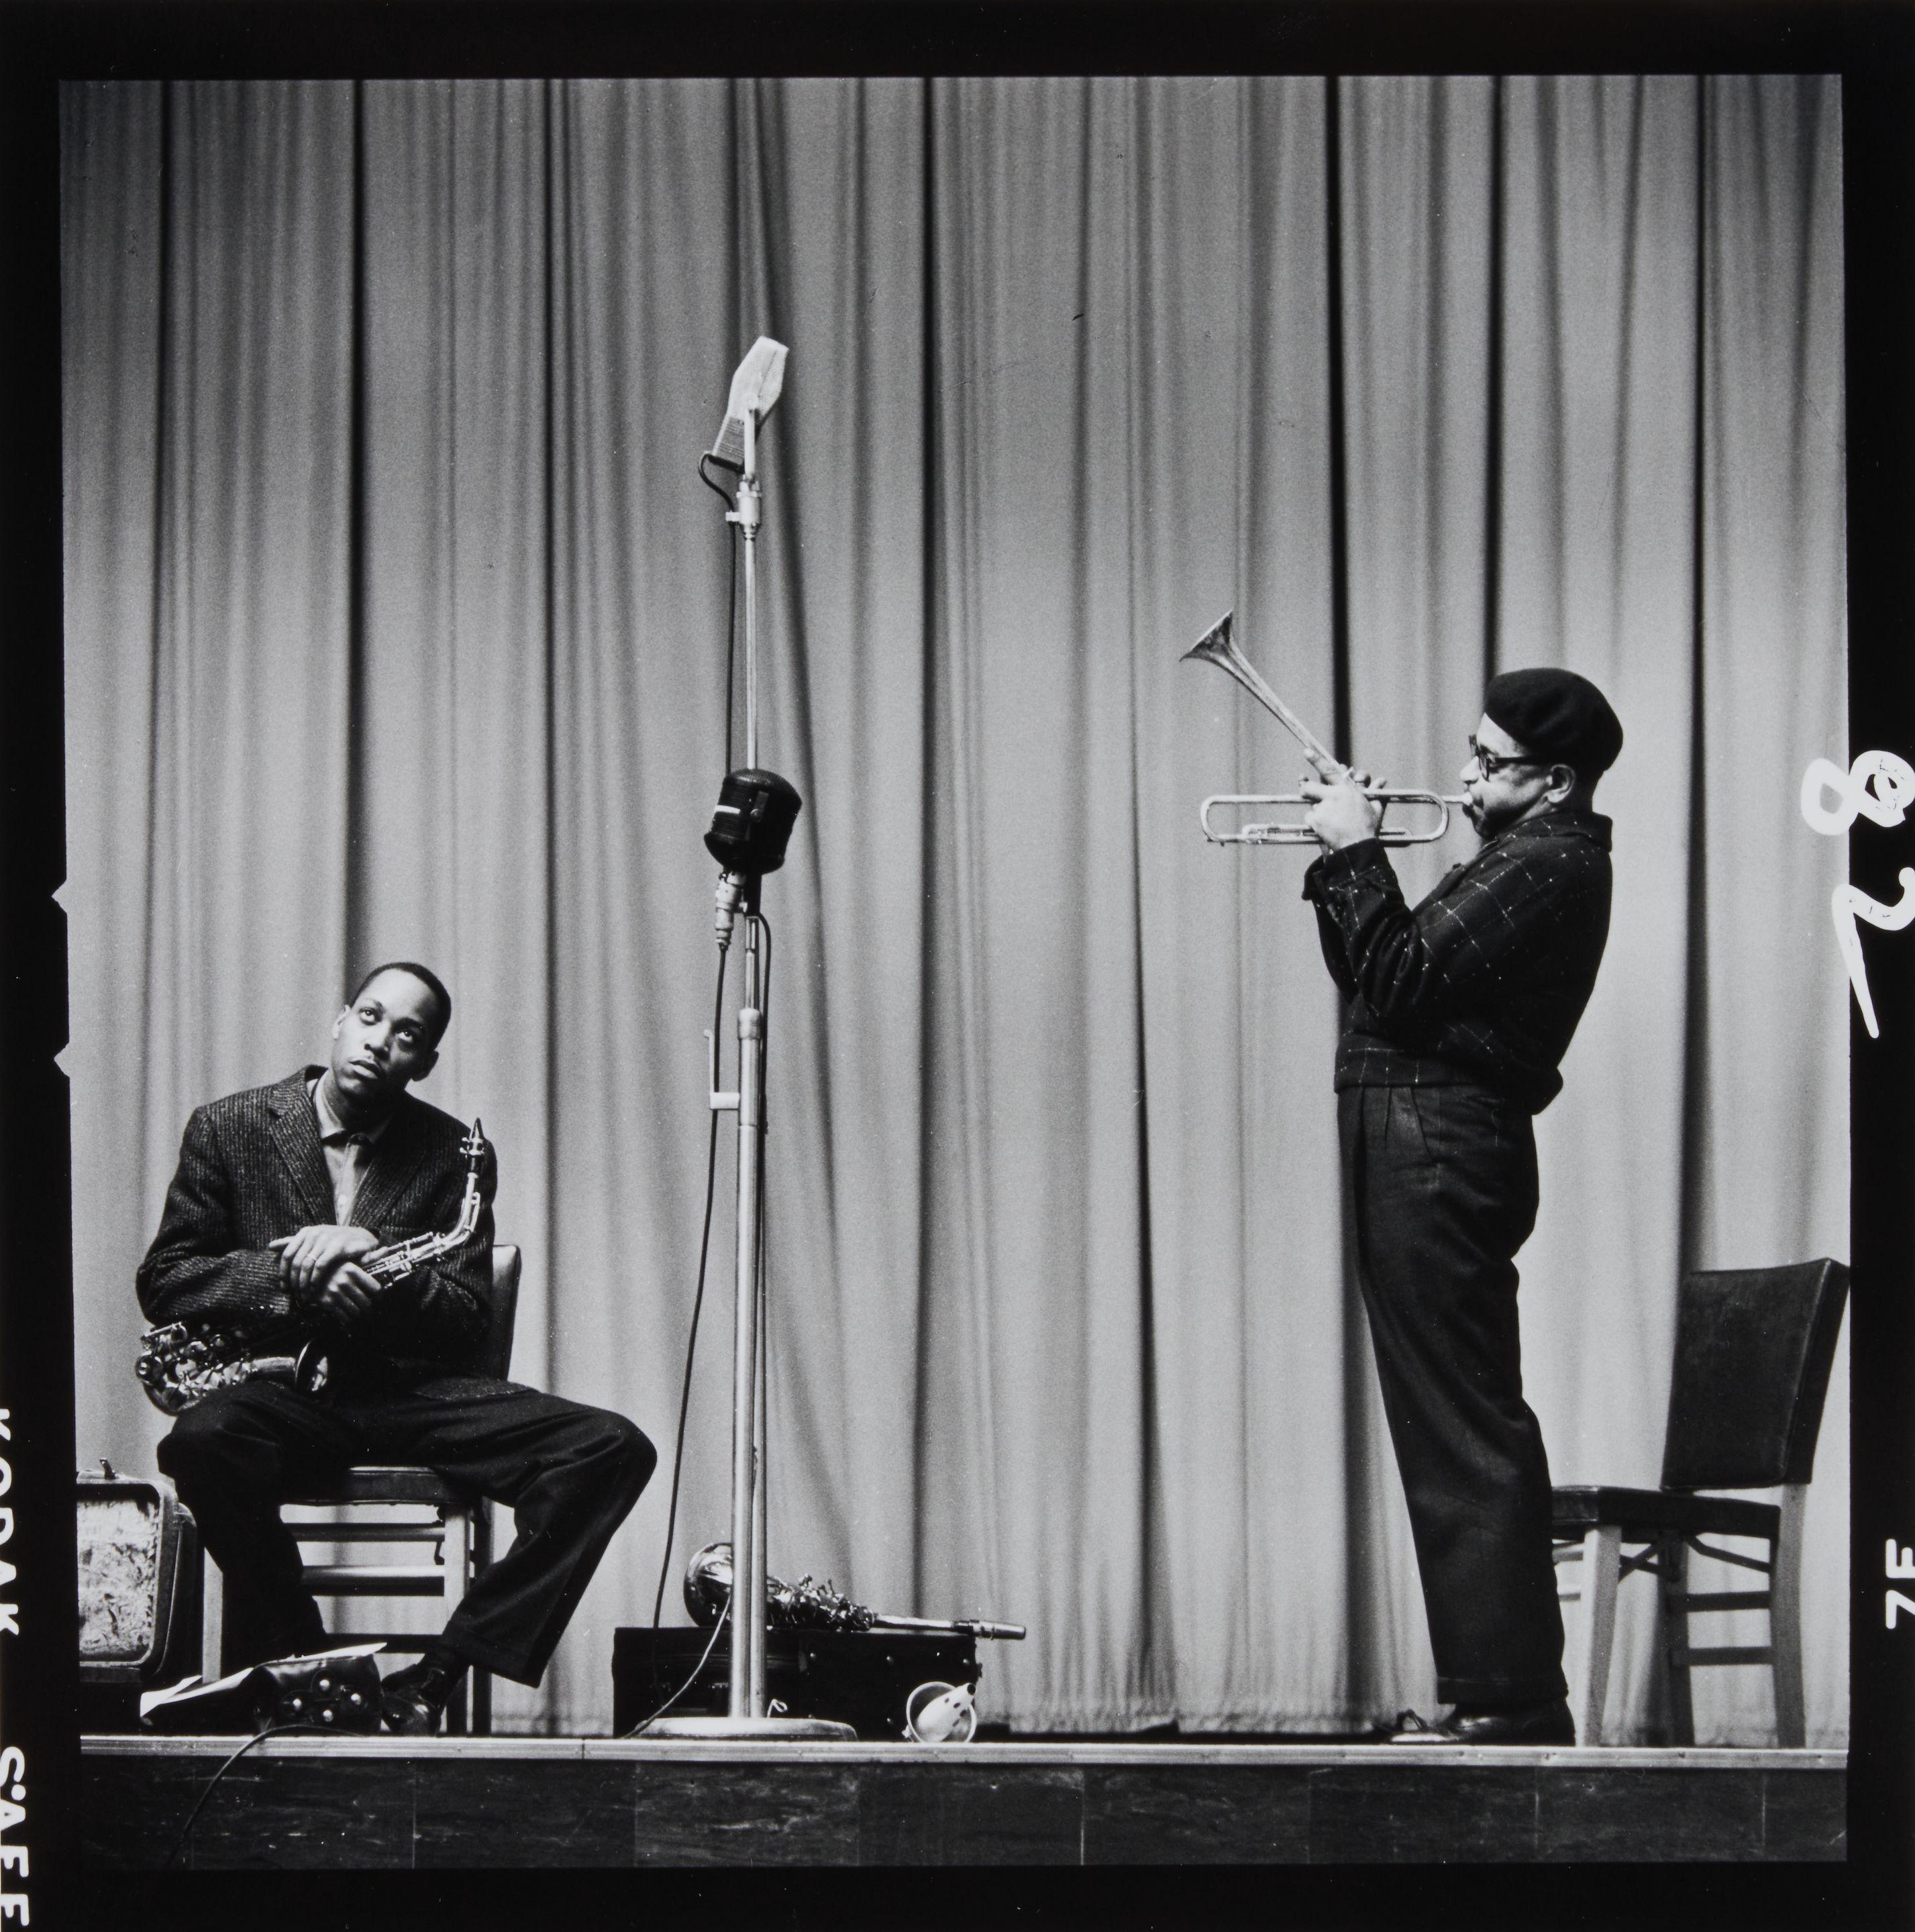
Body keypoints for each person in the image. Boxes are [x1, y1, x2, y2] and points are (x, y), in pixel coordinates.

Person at [140, 961, 656, 1733]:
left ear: (424, 1062)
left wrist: (373, 1264)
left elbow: (464, 1318)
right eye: (373, 1018)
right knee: (204, 1440)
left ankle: (434, 1677)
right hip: (282, 1398)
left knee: (612, 1448)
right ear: (342, 1019)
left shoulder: (458, 1155)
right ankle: (307, 1666)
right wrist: (293, 1279)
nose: (382, 1042)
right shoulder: (230, 1125)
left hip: (411, 1399)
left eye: (407, 1035)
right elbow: (168, 1280)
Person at [1298, 668, 1622, 1746]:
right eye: (1472, 750)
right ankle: (1500, 1693)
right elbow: (1377, 977)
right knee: (1447, 1419)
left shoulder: (1547, 864)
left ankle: (1510, 1701)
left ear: (1555, 782)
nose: (1466, 771)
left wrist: (1355, 854)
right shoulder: (1519, 858)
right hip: (1414, 1132)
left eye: (1489, 762)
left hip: (1436, 1141)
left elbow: (1394, 983)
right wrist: (1342, 863)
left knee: (1461, 1423)